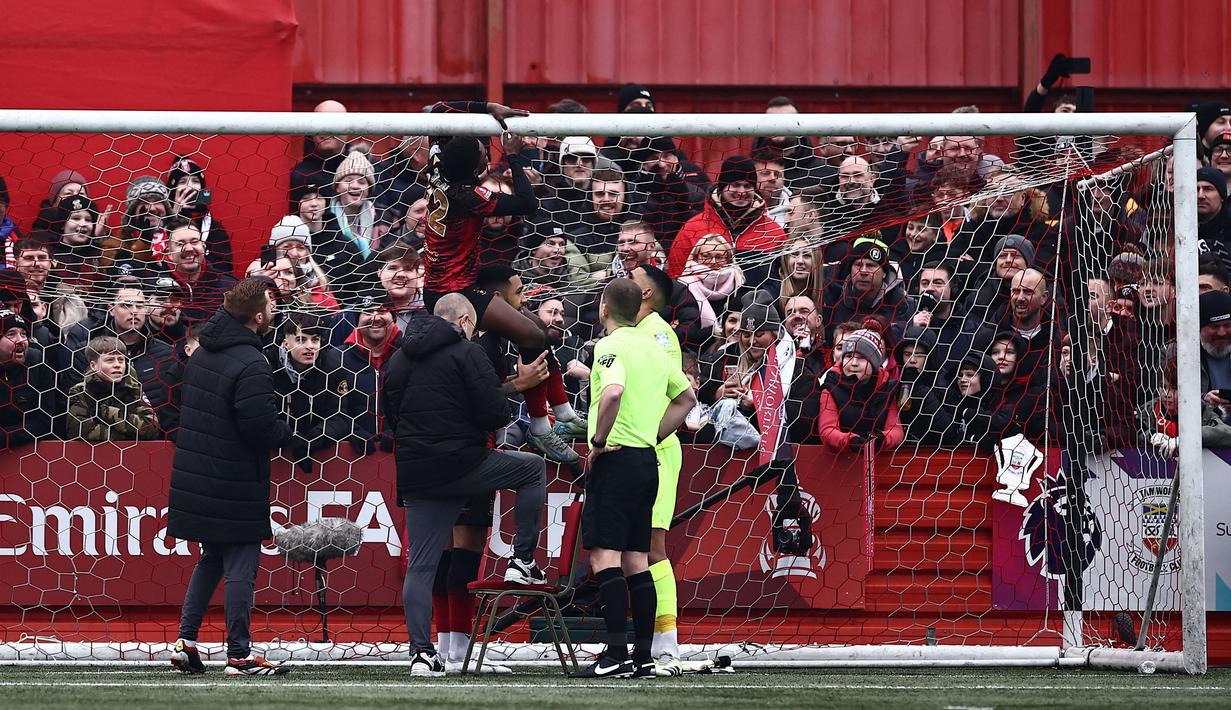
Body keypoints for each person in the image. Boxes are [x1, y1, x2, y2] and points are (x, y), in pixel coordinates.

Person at [383, 293, 548, 678]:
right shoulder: (466, 352)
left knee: (420, 567)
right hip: (464, 465)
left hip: (417, 472)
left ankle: (422, 655)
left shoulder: (398, 358)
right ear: (463, 322)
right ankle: (523, 561)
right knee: (532, 470)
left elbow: (390, 416)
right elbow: (495, 413)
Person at [423, 128, 585, 463]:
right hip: (452, 291)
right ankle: (541, 429)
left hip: (459, 278)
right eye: (484, 152)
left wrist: (486, 108)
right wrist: (514, 154)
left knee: (538, 331)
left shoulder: (437, 173)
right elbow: (527, 203)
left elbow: (439, 112)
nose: (488, 155)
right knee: (528, 333)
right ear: (472, 167)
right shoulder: (468, 196)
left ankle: (565, 416)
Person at [167, 278, 291, 676]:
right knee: (242, 563)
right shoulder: (252, 361)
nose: (273, 311)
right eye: (270, 305)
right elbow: (258, 427)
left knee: (212, 558)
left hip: (200, 474)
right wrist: (287, 429)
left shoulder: (204, 352)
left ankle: (186, 642)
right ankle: (239, 653)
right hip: (234, 478)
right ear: (257, 316)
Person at [571, 278, 694, 679]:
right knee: (637, 560)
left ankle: (615, 655)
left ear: (604, 308)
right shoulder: (655, 348)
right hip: (647, 461)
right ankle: (643, 658)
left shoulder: (610, 346)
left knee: (604, 556)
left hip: (617, 458)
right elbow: (687, 398)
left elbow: (612, 393)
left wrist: (599, 440)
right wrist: (656, 433)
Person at [66, 336, 159, 441]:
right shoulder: (81, 390)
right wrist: (124, 437)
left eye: (121, 360)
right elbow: (78, 430)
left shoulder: (134, 388)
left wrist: (106, 412)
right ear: (93, 366)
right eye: (110, 360)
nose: (117, 365)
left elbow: (151, 428)